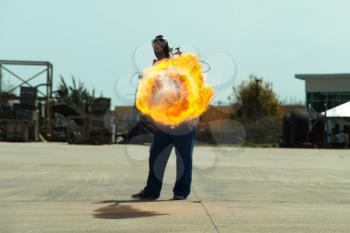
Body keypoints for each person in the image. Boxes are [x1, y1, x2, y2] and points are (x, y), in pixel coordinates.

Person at [131, 35, 197, 200]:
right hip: (164, 123)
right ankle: (152, 190)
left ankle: (181, 192)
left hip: (184, 122)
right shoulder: (155, 69)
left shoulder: (178, 65)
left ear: (167, 46)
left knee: (183, 159)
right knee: (156, 156)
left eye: (161, 45)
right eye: (155, 45)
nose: (158, 47)